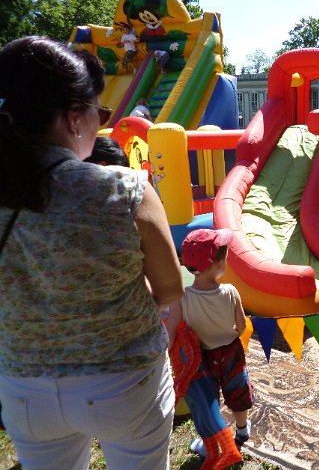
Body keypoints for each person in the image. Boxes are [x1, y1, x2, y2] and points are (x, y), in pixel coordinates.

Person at [0, 36, 183, 469]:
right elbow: (171, 288)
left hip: (24, 387)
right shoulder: (124, 188)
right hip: (125, 380)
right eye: (99, 113)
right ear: (73, 118)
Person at [165, 228, 254, 464]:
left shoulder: (182, 297)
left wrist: (169, 356)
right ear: (219, 264)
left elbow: (171, 330)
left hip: (201, 357)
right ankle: (242, 430)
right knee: (237, 390)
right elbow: (242, 326)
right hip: (231, 352)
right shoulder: (230, 292)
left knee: (207, 401)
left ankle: (209, 443)